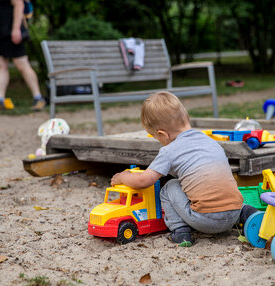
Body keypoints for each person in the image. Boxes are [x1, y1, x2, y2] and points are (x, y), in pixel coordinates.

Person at [111, 91, 258, 246]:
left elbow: (143, 180)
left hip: (205, 221)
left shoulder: (169, 150)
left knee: (169, 187)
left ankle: (180, 231)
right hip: (233, 214)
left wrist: (122, 176)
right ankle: (246, 212)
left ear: (163, 134)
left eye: (156, 137)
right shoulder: (211, 142)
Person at [0, 0, 46, 111]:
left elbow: (19, 4)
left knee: (22, 64)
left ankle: (38, 98)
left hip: (10, 30)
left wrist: (16, 29)